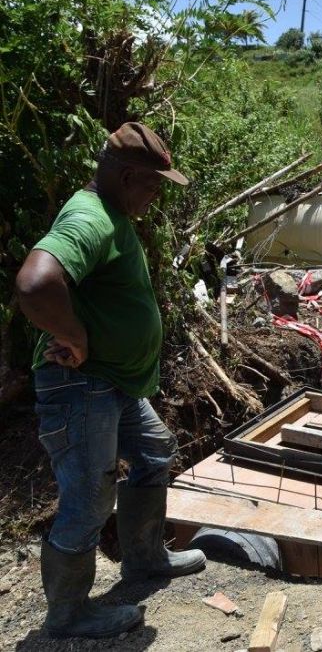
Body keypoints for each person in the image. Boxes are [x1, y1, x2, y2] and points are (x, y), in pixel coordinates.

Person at [16, 122, 206, 639]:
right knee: (89, 496)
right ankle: (68, 614)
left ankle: (143, 559)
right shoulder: (90, 219)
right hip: (82, 387)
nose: (156, 195)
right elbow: (35, 284)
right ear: (126, 176)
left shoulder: (112, 213)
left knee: (154, 453)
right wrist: (73, 334)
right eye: (153, 184)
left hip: (113, 384)